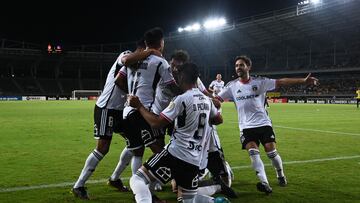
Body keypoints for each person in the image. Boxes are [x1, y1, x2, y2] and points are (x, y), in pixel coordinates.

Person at [71, 40, 161, 200]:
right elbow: (119, 79)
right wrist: (150, 52)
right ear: (140, 49)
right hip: (107, 108)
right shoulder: (125, 55)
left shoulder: (137, 67)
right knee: (103, 147)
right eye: (144, 52)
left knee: (137, 146)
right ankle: (78, 186)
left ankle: (126, 184)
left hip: (120, 111)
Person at [215, 55, 319, 194]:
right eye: (236, 65)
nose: (238, 67)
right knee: (253, 154)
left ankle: (280, 174)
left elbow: (281, 82)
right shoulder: (232, 86)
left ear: (248, 67)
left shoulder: (261, 81)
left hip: (263, 124)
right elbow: (217, 99)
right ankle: (264, 183)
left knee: (271, 153)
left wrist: (303, 81)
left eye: (241, 65)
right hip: (246, 127)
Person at [128, 62, 223, 203]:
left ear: (183, 77)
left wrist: (139, 106)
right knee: (186, 200)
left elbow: (156, 122)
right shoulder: (207, 101)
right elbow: (218, 119)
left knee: (137, 179)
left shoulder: (181, 99)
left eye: (177, 75)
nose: (175, 79)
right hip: (193, 161)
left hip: (175, 154)